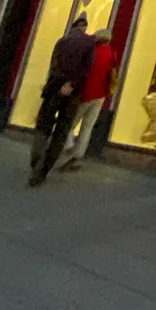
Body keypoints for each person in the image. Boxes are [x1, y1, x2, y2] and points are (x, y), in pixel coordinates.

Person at [29, 13, 96, 187]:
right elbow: (86, 70)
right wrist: (71, 85)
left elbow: (54, 65)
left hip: (53, 89)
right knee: (62, 130)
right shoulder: (89, 44)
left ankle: (36, 157)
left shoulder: (61, 41)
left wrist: (57, 83)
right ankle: (43, 170)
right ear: (84, 28)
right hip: (72, 94)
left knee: (43, 125)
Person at [56, 28, 119, 172]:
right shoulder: (111, 53)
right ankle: (78, 156)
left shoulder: (91, 52)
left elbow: (82, 71)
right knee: (87, 127)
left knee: (69, 123)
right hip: (101, 95)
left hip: (85, 94)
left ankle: (69, 149)